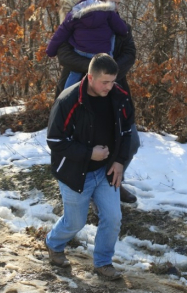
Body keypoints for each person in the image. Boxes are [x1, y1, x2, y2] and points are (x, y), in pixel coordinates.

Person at [45, 53, 133, 280]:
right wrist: (89, 154)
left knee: (113, 218)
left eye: (113, 81)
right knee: (75, 222)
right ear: (90, 77)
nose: (110, 86)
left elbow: (126, 132)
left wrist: (119, 161)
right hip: (74, 172)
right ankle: (54, 244)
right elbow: (55, 141)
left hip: (106, 172)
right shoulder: (68, 100)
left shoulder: (119, 96)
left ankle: (103, 263)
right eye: (105, 82)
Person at [55, 0, 139, 204]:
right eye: (110, 2)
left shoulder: (121, 27)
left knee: (130, 142)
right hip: (78, 94)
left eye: (117, 3)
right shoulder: (78, 23)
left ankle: (113, 180)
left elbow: (130, 54)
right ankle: (77, 186)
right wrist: (96, 69)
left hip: (114, 94)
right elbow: (64, 55)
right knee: (79, 142)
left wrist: (109, 74)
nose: (114, 7)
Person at [46, 0, 128, 89]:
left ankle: (66, 95)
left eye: (117, 3)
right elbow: (122, 29)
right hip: (102, 53)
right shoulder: (109, 13)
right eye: (113, 2)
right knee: (111, 37)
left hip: (81, 51)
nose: (116, 6)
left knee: (74, 74)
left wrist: (50, 51)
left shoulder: (74, 14)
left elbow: (60, 34)